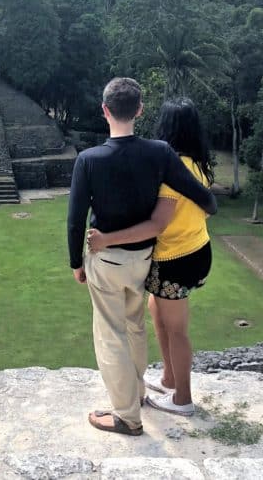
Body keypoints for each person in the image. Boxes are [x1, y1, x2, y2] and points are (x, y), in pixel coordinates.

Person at [67, 79, 217, 436]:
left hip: (107, 258)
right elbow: (202, 196)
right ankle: (137, 393)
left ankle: (127, 416)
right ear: (139, 110)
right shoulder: (161, 152)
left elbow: (75, 220)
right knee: (135, 326)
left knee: (110, 335)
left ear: (105, 111)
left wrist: (77, 262)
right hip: (144, 259)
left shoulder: (88, 160)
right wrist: (210, 205)